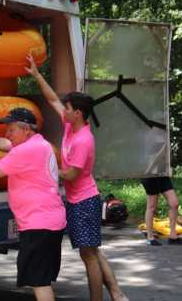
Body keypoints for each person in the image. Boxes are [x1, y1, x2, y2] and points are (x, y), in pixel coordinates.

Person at [25, 54, 128, 301]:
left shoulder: (84, 140)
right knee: (90, 252)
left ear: (78, 113)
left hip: (84, 201)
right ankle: (117, 292)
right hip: (75, 201)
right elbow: (52, 99)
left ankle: (100, 298)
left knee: (89, 256)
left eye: (68, 108)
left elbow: (71, 174)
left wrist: (44, 169)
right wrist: (37, 75)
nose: (65, 110)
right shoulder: (72, 126)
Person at [0, 107, 66, 301]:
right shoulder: (38, 144)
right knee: (41, 278)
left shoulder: (26, 151)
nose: (7, 134)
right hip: (48, 221)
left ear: (26, 128)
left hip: (39, 223)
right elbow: (3, 144)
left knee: (39, 282)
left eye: (11, 129)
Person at [140, 176, 182, 245]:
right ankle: (150, 238)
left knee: (174, 204)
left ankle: (173, 236)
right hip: (150, 176)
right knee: (152, 207)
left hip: (163, 175)